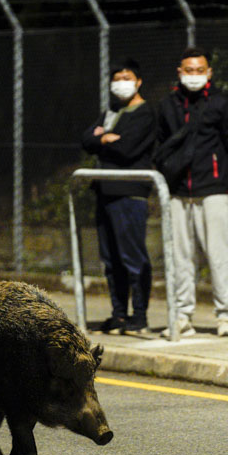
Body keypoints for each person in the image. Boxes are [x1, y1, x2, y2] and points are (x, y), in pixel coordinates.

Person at [154, 46, 228, 337]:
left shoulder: (219, 104)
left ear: (209, 73)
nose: (194, 75)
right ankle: (182, 316)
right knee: (181, 257)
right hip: (179, 191)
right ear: (180, 72)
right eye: (188, 70)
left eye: (199, 70)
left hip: (213, 190)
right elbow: (162, 145)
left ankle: (225, 316)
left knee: (218, 255)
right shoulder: (168, 105)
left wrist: (222, 180)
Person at [80, 59, 156, 335]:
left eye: (127, 77)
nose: (121, 82)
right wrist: (104, 138)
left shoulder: (146, 113)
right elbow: (86, 139)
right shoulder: (111, 111)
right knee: (110, 259)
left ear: (138, 81)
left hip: (129, 192)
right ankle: (119, 314)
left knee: (132, 256)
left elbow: (128, 148)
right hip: (105, 190)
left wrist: (105, 139)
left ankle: (140, 315)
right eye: (117, 78)